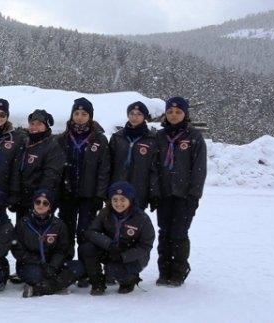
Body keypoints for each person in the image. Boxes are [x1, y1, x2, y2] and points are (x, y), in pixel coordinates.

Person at [155, 97, 206, 287]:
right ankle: (164, 270)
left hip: (184, 195)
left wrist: (194, 195)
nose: (174, 115)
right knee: (164, 232)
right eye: (170, 112)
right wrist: (155, 191)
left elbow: (199, 168)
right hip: (164, 194)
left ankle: (178, 271)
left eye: (178, 112)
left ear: (185, 114)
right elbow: (154, 165)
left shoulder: (193, 136)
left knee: (179, 232)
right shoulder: (160, 137)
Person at [80, 181, 156, 295]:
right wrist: (109, 244)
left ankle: (129, 280)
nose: (118, 203)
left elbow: (145, 246)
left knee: (113, 270)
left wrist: (123, 256)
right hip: (110, 250)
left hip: (131, 256)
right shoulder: (105, 213)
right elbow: (91, 232)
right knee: (86, 248)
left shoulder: (142, 218)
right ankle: (97, 283)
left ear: (130, 200)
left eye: (123, 199)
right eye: (115, 199)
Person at [57, 98, 111, 257]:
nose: (80, 117)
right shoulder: (62, 139)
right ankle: (65, 265)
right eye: (76, 113)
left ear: (90, 116)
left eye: (84, 113)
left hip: (89, 194)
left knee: (85, 231)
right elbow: (57, 167)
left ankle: (84, 268)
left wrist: (99, 194)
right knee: (66, 230)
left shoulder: (100, 140)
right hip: (67, 193)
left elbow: (104, 169)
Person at [12, 189, 83, 298]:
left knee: (78, 266)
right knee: (35, 274)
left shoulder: (58, 225)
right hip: (31, 264)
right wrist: (39, 262)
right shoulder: (23, 223)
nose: (41, 205)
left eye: (45, 203)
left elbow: (62, 249)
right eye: (38, 202)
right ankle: (57, 284)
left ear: (50, 206)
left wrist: (53, 266)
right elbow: (17, 249)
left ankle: (39, 288)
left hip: (53, 265)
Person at [11, 109, 64, 224]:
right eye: (32, 123)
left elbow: (51, 176)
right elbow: (16, 169)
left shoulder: (53, 146)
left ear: (46, 126)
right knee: (21, 234)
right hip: (22, 200)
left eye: (39, 124)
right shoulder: (24, 142)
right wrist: (15, 193)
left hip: (39, 201)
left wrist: (39, 199)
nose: (34, 127)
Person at [109, 102, 159, 210]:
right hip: (117, 189)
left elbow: (154, 169)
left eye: (139, 114)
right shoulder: (117, 137)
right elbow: (107, 166)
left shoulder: (152, 140)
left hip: (139, 190)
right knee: (113, 223)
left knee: (134, 224)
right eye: (131, 113)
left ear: (144, 117)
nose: (134, 117)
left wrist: (154, 194)